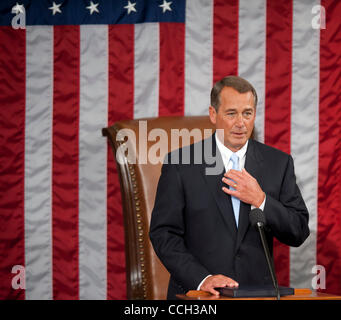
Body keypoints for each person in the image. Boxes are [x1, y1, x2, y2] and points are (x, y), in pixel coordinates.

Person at [149, 76, 310, 299]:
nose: (240, 123)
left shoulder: (278, 163)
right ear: (213, 115)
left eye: (247, 113)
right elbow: (163, 234)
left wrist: (261, 200)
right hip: (198, 295)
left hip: (256, 295)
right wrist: (203, 278)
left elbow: (299, 230)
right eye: (231, 113)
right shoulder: (181, 164)